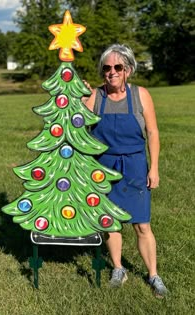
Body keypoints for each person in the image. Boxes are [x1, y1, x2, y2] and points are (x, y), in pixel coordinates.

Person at [82, 44, 168, 298]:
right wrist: (80, 98)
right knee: (110, 223)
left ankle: (153, 274)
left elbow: (152, 132)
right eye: (107, 68)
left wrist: (154, 168)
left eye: (118, 67)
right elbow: (79, 126)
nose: (112, 72)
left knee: (142, 224)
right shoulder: (95, 97)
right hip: (104, 168)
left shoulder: (141, 95)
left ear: (128, 70)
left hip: (134, 166)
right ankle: (119, 269)